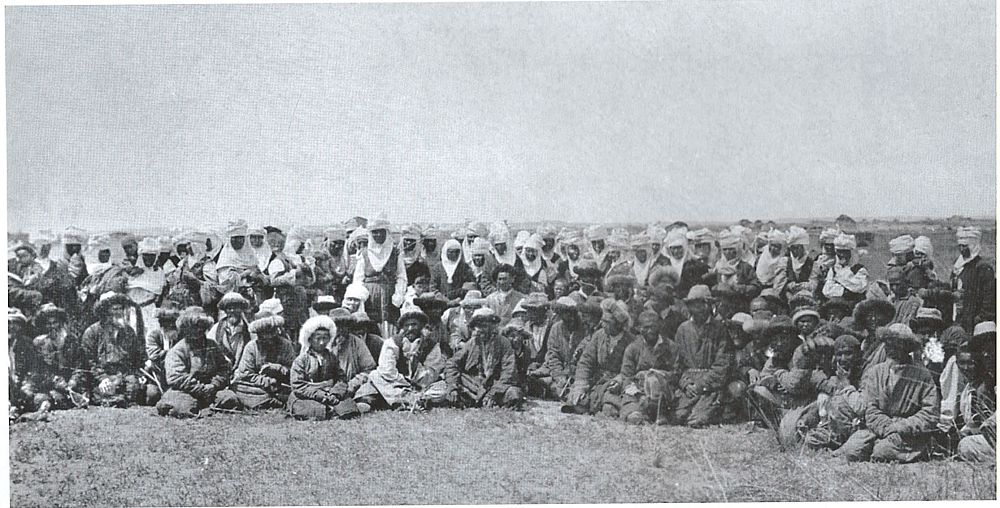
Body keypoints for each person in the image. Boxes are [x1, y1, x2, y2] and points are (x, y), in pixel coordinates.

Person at [859, 325, 941, 463]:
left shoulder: (922, 375)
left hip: (909, 434)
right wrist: (886, 428)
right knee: (853, 450)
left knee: (882, 451)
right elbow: (870, 408)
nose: (891, 349)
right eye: (888, 343)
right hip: (881, 429)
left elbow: (930, 413)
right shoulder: (875, 372)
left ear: (907, 347)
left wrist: (901, 427)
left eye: (897, 344)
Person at [156, 307, 240, 418]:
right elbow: (176, 378)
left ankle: (205, 407)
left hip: (211, 389)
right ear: (186, 328)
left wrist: (214, 384)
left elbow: (224, 368)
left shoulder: (212, 345)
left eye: (202, 326)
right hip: (186, 391)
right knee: (183, 407)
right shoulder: (177, 350)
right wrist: (201, 389)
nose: (199, 330)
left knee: (230, 399)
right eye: (194, 327)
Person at [671, 285, 732, 427]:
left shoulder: (720, 329)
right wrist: (686, 385)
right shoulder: (683, 330)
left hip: (710, 386)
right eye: (695, 305)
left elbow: (722, 366)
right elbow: (676, 366)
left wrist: (701, 385)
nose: (700, 309)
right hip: (688, 385)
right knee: (678, 417)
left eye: (703, 304)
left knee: (697, 419)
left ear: (709, 305)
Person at [564, 299, 635, 416]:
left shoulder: (630, 341)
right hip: (597, 381)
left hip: (616, 385)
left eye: (607, 322)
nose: (602, 324)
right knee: (578, 400)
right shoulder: (599, 335)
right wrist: (581, 384)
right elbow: (586, 361)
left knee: (609, 407)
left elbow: (629, 370)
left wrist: (619, 380)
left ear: (618, 324)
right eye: (602, 320)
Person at [444, 308, 524, 409]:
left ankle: (481, 400)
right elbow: (452, 363)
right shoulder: (472, 343)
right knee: (443, 388)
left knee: (514, 394)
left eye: (484, 326)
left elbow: (509, 372)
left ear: (493, 327)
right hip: (473, 385)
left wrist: (493, 393)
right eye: (476, 326)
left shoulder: (504, 343)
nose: (479, 330)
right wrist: (452, 386)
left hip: (495, 385)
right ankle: (469, 399)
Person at [80, 292, 150, 407]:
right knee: (108, 394)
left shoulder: (128, 332)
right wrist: (102, 379)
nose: (119, 312)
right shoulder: (92, 332)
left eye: (120, 308)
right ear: (105, 311)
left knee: (139, 391)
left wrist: (139, 375)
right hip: (103, 378)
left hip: (125, 377)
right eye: (114, 309)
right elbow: (89, 362)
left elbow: (136, 358)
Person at [19, 304, 88, 413]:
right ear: (43, 325)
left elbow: (80, 365)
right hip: (48, 385)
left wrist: (74, 380)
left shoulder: (71, 340)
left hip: (71, 385)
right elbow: (38, 370)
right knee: (36, 396)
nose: (52, 326)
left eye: (55, 322)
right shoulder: (39, 343)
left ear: (60, 322)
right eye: (48, 323)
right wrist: (55, 381)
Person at [287, 315, 358, 420]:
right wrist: (320, 395)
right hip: (308, 395)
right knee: (304, 407)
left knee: (349, 407)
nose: (322, 342)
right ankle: (327, 411)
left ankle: (333, 409)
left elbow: (341, 378)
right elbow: (297, 385)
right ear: (310, 339)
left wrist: (335, 393)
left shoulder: (332, 357)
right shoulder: (301, 360)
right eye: (318, 338)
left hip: (330, 392)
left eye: (325, 338)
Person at [230, 311, 298, 410]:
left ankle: (270, 401)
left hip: (281, 385)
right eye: (264, 333)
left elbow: (294, 371)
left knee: (294, 391)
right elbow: (245, 374)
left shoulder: (286, 345)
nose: (268, 337)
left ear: (276, 330)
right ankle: (273, 401)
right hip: (256, 387)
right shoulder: (251, 347)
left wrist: (279, 368)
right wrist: (267, 382)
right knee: (239, 387)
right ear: (258, 334)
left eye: (271, 332)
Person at [618, 310, 676, 424]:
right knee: (632, 409)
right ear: (639, 328)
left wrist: (659, 375)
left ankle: (660, 413)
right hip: (638, 392)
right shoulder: (633, 348)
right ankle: (636, 412)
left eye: (653, 327)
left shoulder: (671, 347)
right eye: (646, 327)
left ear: (659, 326)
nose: (650, 331)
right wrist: (638, 391)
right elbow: (626, 376)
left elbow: (677, 372)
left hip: (663, 393)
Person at [535, 296, 590, 400]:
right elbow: (553, 356)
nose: (570, 318)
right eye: (565, 314)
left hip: (580, 373)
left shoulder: (586, 329)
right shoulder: (556, 329)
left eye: (572, 314)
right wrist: (559, 376)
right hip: (560, 371)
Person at [955, 322, 996, 462]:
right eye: (982, 350)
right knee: (966, 445)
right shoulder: (984, 384)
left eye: (991, 349)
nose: (987, 354)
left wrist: (990, 424)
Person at [707, 230, 761, 319]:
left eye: (731, 249)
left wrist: (739, 288)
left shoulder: (745, 267)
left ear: (737, 250)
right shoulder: (719, 267)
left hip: (740, 306)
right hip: (722, 308)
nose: (728, 252)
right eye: (725, 249)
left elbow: (756, 287)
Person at [951, 226, 995, 333]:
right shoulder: (958, 266)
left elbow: (989, 297)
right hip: (960, 316)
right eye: (960, 246)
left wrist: (981, 317)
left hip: (975, 318)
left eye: (965, 246)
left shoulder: (983, 267)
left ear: (973, 246)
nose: (962, 249)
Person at [327, 308, 377, 399]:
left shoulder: (357, 343)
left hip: (351, 389)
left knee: (369, 391)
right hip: (326, 388)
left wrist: (352, 385)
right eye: (337, 325)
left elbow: (369, 369)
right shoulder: (321, 342)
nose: (340, 329)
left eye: (344, 325)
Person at [127, 238, 167, 336]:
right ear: (141, 256)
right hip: (133, 310)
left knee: (152, 336)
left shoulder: (159, 272)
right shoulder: (133, 272)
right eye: (146, 255)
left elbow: (159, 291)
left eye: (152, 256)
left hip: (150, 309)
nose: (149, 259)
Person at [144, 301, 182, 398]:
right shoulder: (154, 336)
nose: (170, 325)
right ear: (161, 323)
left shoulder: (181, 336)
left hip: (177, 374)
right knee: (153, 394)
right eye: (167, 322)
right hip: (158, 375)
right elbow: (154, 356)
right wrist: (174, 354)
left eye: (173, 322)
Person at [209, 292, 253, 371]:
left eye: (236, 308)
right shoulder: (216, 329)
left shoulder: (249, 331)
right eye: (229, 308)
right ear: (225, 310)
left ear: (242, 309)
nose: (232, 311)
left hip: (242, 371)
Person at [822, 233, 869, 305]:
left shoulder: (859, 270)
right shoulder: (833, 269)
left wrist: (837, 284)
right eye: (839, 252)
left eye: (845, 252)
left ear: (851, 253)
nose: (842, 255)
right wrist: (846, 290)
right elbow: (827, 291)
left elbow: (858, 288)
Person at [782, 226, 814, 300]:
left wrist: (803, 287)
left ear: (803, 247)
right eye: (792, 248)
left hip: (807, 297)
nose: (795, 251)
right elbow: (780, 285)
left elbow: (814, 284)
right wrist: (788, 287)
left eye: (797, 248)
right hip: (788, 297)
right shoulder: (785, 262)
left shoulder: (811, 263)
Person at [809, 227, 840, 300]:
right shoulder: (818, 258)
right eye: (827, 244)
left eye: (832, 245)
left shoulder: (838, 259)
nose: (829, 247)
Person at [755, 229, 788, 294]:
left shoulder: (783, 261)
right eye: (772, 245)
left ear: (781, 248)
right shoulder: (762, 256)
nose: (773, 248)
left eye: (776, 247)